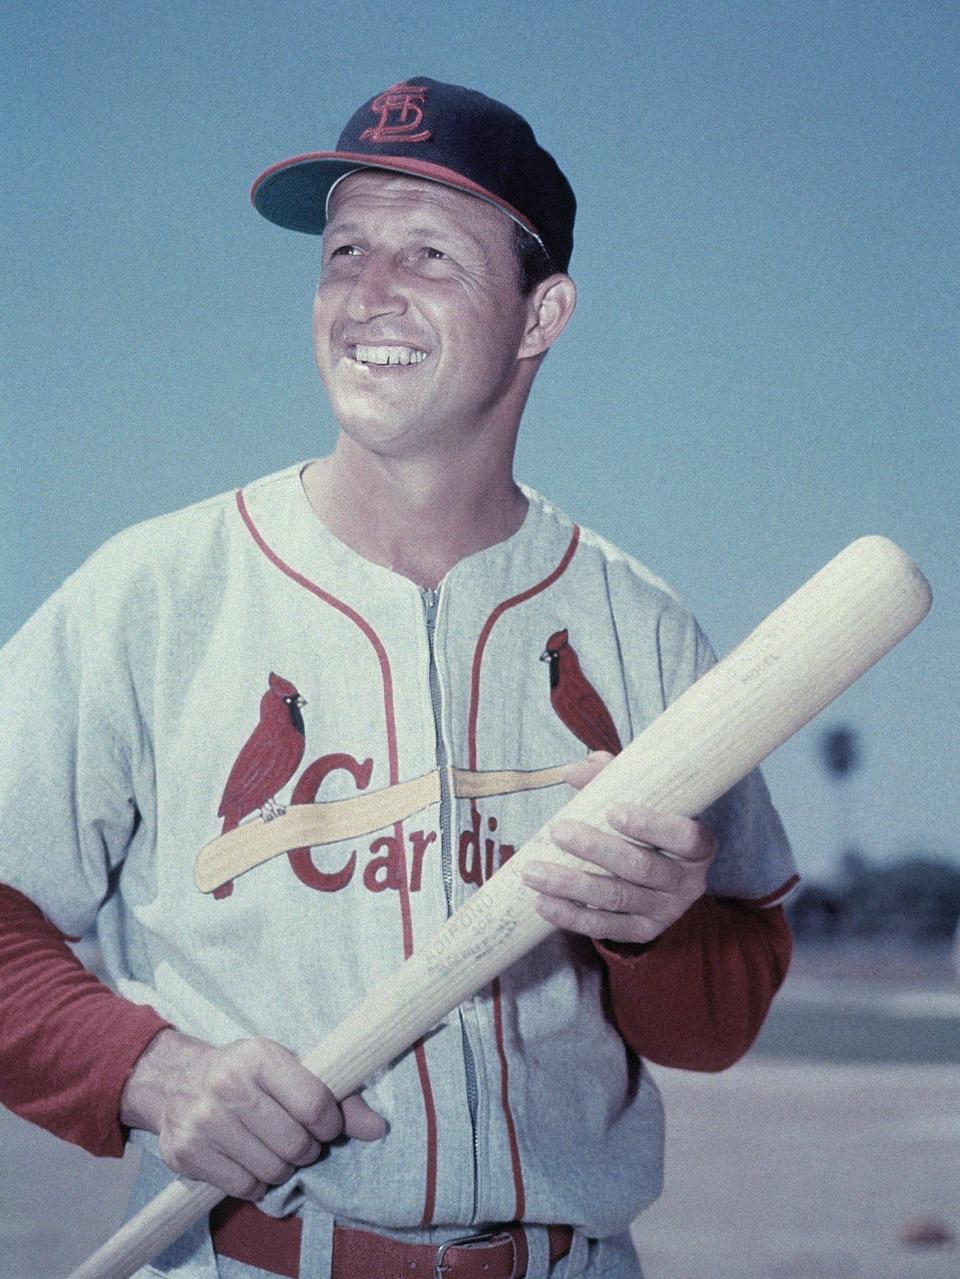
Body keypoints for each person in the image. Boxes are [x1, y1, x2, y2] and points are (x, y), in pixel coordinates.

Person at [0, 77, 798, 1279]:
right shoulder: (154, 592)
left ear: (542, 315)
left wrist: (660, 936)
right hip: (245, 1259)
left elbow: (722, 1014)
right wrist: (151, 1070)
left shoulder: (640, 628)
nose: (367, 294)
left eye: (430, 254)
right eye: (345, 251)